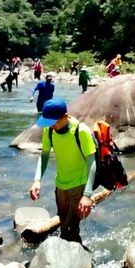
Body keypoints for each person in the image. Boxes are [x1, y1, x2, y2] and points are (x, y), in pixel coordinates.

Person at [29, 98, 96, 245]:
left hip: (79, 187)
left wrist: (87, 195)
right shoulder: (50, 130)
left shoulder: (81, 131)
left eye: (53, 122)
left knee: (68, 232)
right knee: (64, 223)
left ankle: (78, 262)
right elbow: (45, 155)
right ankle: (79, 257)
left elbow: (92, 163)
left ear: (65, 116)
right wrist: (37, 180)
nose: (51, 125)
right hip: (60, 186)